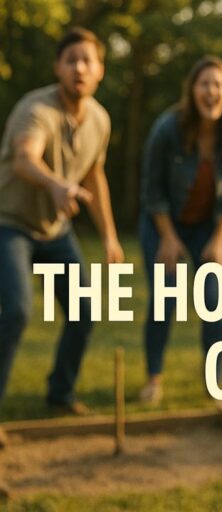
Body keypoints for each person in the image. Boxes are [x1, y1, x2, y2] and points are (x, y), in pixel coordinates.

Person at [0, 27, 124, 415]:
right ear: (58, 67)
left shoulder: (99, 120)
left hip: (55, 231)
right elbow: (24, 159)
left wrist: (110, 237)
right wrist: (55, 185)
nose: (79, 68)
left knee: (85, 309)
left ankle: (61, 392)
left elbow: (94, 175)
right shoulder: (36, 110)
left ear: (100, 69)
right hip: (10, 224)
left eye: (88, 60)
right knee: (18, 311)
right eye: (71, 60)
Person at [139, 56, 222, 404]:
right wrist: (169, 239)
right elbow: (151, 188)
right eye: (204, 84)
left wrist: (219, 240)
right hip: (163, 222)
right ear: (192, 90)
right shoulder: (168, 128)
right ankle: (154, 378)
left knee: (214, 302)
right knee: (166, 297)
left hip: (211, 226)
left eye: (218, 85)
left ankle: (216, 381)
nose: (211, 91)